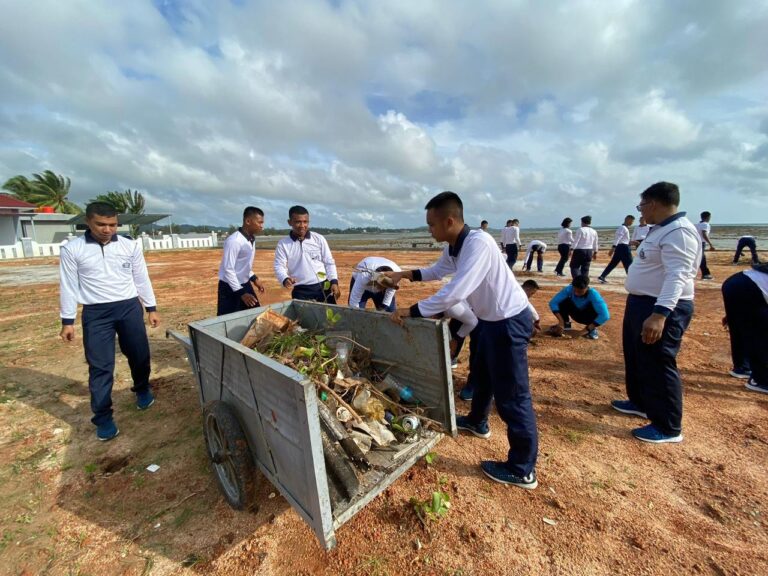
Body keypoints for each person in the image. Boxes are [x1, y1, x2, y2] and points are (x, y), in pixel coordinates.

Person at [387, 192, 538, 489]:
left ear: (449, 221)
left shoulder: (478, 244)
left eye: (431, 225)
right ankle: (478, 422)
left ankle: (523, 468)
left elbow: (454, 291)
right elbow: (436, 271)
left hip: (507, 322)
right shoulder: (455, 246)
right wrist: (404, 274)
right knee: (481, 375)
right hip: (489, 321)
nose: (429, 230)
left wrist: (413, 311)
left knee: (513, 395)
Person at [59, 202, 160, 441]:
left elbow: (141, 278)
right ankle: (103, 418)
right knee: (101, 367)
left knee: (139, 354)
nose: (107, 229)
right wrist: (67, 320)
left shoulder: (129, 245)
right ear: (88, 222)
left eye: (112, 224)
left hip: (128, 308)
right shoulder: (73, 249)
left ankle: (142, 388)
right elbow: (68, 285)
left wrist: (151, 308)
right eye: (101, 224)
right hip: (96, 313)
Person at [612, 182, 701, 443]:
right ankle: (640, 402)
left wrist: (660, 314)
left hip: (661, 306)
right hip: (641, 302)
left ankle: (668, 426)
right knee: (637, 355)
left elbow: (678, 276)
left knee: (659, 363)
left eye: (641, 205)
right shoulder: (660, 230)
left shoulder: (679, 233)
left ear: (652, 203)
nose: (641, 211)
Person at [457, 279, 540, 402]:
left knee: (486, 355)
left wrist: (536, 319)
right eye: (532, 293)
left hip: (488, 319)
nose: (531, 296)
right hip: (487, 320)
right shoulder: (503, 282)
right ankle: (477, 387)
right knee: (482, 354)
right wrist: (536, 320)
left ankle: (483, 388)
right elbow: (526, 305)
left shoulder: (501, 280)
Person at [274, 205, 340, 303]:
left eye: (305, 222)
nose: (302, 225)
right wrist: (284, 278)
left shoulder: (319, 239)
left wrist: (334, 282)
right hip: (301, 291)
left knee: (329, 317)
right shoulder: (283, 244)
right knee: (305, 318)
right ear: (289, 222)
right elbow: (279, 265)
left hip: (323, 287)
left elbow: (329, 262)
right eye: (298, 222)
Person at [721, 263, 768, 392]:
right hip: (748, 288)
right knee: (759, 334)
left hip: (736, 282)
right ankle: (760, 379)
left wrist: (734, 314)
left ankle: (742, 367)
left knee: (742, 328)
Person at [216, 207, 266, 316]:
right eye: (259, 222)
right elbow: (228, 269)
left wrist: (254, 278)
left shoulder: (251, 239)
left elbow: (243, 265)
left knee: (255, 316)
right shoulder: (234, 241)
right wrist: (241, 293)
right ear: (248, 221)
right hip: (230, 288)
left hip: (245, 285)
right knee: (229, 320)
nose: (262, 226)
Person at [548, 275, 609, 340]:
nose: (577, 293)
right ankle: (566, 325)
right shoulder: (569, 289)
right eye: (575, 290)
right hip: (575, 314)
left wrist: (582, 332)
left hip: (588, 317)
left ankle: (591, 330)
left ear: (586, 288)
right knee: (562, 302)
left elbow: (605, 316)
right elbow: (553, 303)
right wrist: (561, 322)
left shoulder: (593, 294)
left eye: (580, 292)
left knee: (596, 310)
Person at [598, 215, 635, 283]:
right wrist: (613, 248)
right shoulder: (623, 228)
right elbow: (618, 238)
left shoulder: (624, 228)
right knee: (629, 263)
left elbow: (623, 239)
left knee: (613, 263)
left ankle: (602, 276)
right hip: (623, 248)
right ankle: (632, 279)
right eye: (632, 221)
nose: (632, 223)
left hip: (621, 247)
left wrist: (631, 242)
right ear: (627, 219)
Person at [696, 211, 715, 280]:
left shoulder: (698, 225)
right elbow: (704, 234)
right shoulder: (706, 224)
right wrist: (710, 244)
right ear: (708, 217)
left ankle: (705, 274)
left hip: (696, 242)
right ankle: (706, 274)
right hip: (701, 243)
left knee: (700, 258)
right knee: (702, 258)